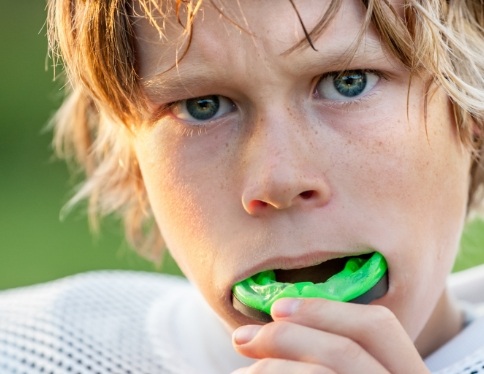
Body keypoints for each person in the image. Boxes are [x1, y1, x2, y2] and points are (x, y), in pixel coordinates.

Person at [1, 0, 484, 372]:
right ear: (132, 160)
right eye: (204, 106)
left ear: (473, 115)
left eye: (348, 81)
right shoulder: (32, 350)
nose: (279, 180)